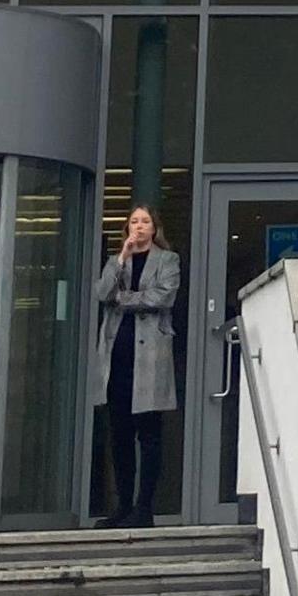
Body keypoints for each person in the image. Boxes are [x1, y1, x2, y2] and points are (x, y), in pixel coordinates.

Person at [86, 206, 182, 526]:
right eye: (133, 222)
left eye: (145, 222)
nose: (139, 227)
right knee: (120, 436)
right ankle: (123, 506)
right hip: (118, 359)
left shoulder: (168, 260)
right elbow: (102, 293)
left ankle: (145, 509)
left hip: (151, 359)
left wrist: (123, 300)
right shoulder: (117, 261)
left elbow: (162, 298)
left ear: (155, 228)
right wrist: (122, 259)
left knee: (149, 436)